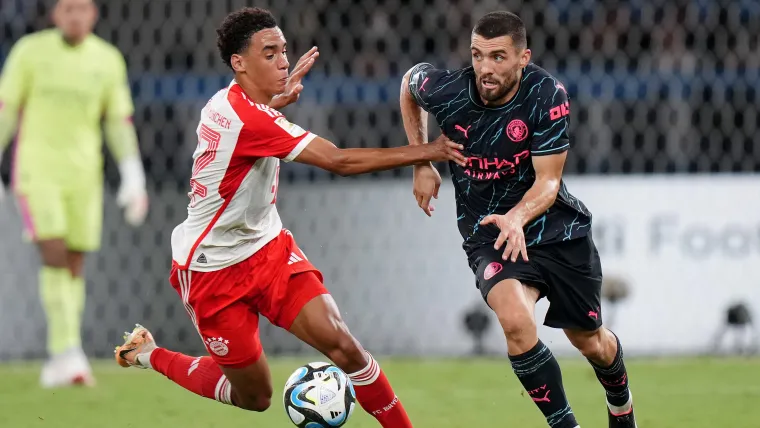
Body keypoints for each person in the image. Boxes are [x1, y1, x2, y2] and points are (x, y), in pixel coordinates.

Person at [114, 7, 465, 428]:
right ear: (238, 63)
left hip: (267, 249)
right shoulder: (250, 120)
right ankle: (149, 354)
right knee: (254, 397)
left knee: (344, 346)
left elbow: (255, 123)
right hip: (212, 271)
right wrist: (432, 151)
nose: (283, 60)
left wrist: (275, 99)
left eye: (283, 50)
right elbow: (339, 160)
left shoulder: (229, 103)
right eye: (269, 53)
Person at [400, 11, 638, 428]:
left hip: (555, 229)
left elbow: (548, 184)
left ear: (522, 57)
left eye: (497, 57)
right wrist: (421, 158)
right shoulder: (449, 91)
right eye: (477, 56)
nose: (485, 69)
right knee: (515, 322)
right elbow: (409, 84)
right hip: (489, 232)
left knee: (591, 342)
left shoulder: (546, 95)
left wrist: (517, 216)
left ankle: (621, 403)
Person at [0, 0, 148, 388]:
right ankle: (67, 351)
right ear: (55, 14)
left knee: (74, 261)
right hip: (36, 172)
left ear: (94, 13)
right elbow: (6, 110)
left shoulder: (107, 59)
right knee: (53, 252)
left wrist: (133, 174)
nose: (75, 16)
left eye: (82, 8)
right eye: (67, 8)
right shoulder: (29, 52)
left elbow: (117, 120)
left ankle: (62, 357)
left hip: (84, 176)